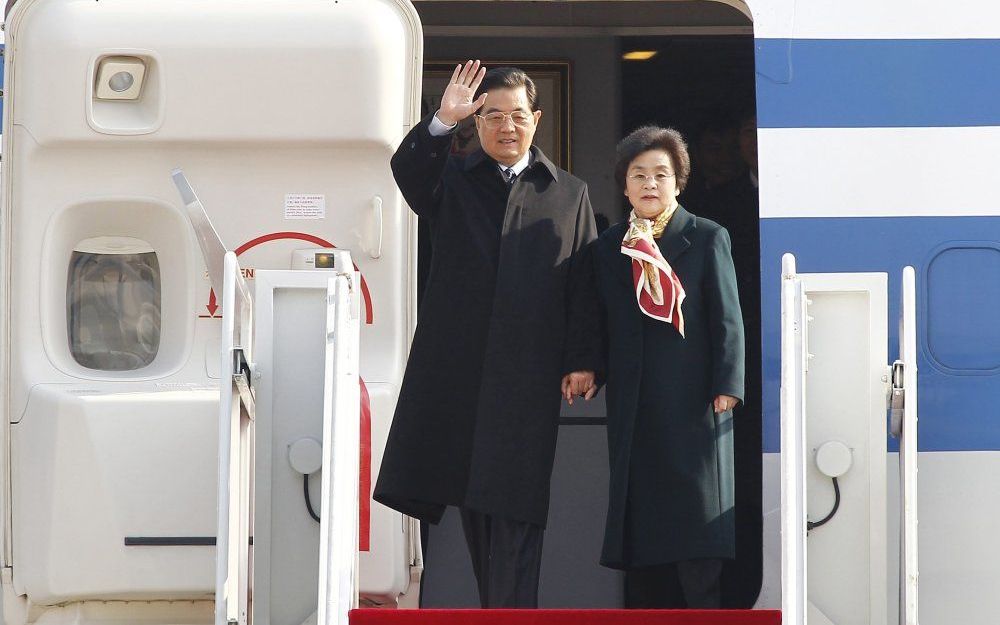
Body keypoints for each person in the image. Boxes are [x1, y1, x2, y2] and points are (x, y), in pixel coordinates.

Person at [373, 61, 602, 608]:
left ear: (536, 119)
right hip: (460, 371)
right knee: (473, 501)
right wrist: (441, 121)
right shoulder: (452, 180)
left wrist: (583, 359)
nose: (506, 127)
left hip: (528, 373)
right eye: (492, 116)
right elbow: (408, 174)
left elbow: (585, 285)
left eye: (517, 116)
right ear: (478, 124)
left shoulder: (568, 193)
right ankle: (500, 608)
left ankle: (510, 611)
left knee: (518, 504)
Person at [591, 126, 745, 608]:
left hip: (696, 402)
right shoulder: (610, 246)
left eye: (661, 174)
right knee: (644, 535)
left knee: (697, 532)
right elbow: (597, 321)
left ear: (679, 182)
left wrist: (728, 383)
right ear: (625, 185)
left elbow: (727, 317)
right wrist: (587, 367)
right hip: (636, 404)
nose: (650, 184)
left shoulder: (705, 237)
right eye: (639, 175)